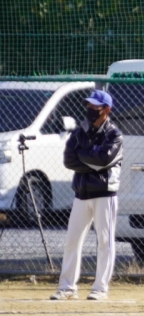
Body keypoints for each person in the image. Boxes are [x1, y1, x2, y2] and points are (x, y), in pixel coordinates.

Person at [50, 90, 123, 301]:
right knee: (71, 241)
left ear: (106, 110)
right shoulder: (79, 132)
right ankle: (67, 288)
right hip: (81, 193)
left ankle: (100, 288)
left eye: (95, 107)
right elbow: (68, 160)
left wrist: (83, 155)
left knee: (105, 242)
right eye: (89, 106)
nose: (90, 109)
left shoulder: (114, 135)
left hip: (105, 194)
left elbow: (103, 160)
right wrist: (91, 159)